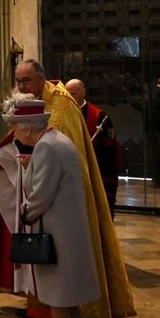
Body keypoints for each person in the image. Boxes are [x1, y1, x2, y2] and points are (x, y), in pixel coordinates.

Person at [0, 59, 136, 318]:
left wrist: (26, 209)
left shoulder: (60, 106)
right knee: (47, 260)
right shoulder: (28, 108)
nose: (22, 86)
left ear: (41, 78)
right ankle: (46, 310)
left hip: (60, 202)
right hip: (41, 193)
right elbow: (17, 144)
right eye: (18, 81)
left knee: (59, 263)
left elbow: (50, 159)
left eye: (26, 81)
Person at [0, 96, 100, 318]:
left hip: (56, 228)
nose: (14, 134)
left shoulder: (46, 147)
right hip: (67, 226)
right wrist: (27, 167)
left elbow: (41, 195)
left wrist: (25, 213)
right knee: (63, 282)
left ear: (26, 127)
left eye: (15, 127)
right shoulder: (56, 139)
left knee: (55, 285)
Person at [65, 79, 121, 216]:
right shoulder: (63, 115)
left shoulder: (99, 117)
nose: (69, 98)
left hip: (95, 171)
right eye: (67, 94)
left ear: (83, 93)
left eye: (73, 94)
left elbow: (109, 149)